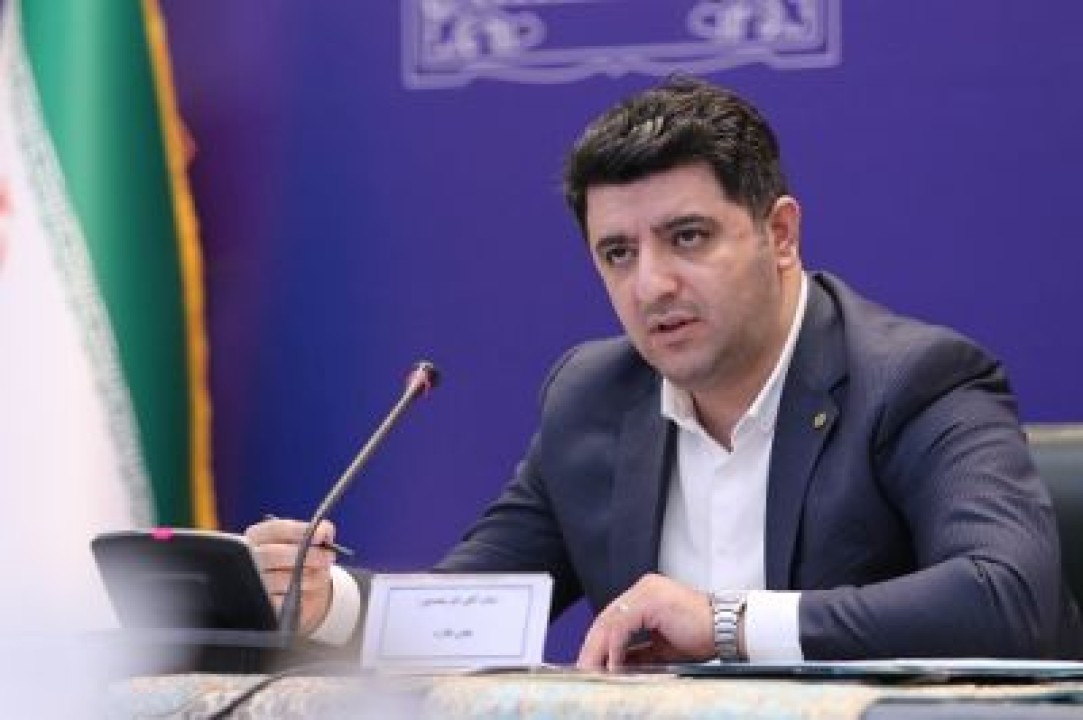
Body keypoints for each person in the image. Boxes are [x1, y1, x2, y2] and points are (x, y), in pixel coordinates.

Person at [246, 76, 1083, 668]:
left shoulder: (914, 379)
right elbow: (477, 608)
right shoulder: (593, 396)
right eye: (617, 253)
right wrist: (323, 602)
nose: (651, 285)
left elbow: (1003, 597)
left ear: (779, 234)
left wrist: (723, 623)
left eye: (687, 237)